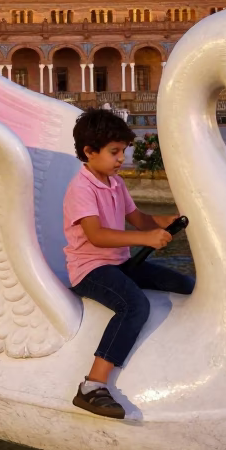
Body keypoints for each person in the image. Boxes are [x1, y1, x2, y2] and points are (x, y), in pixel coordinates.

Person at [62, 108, 194, 420]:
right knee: (134, 305)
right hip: (90, 270)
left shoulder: (115, 183)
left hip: (119, 263)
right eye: (114, 152)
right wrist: (146, 239)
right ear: (89, 152)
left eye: (124, 151)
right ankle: (92, 385)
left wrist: (171, 220)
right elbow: (96, 236)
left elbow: (139, 219)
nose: (122, 158)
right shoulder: (81, 188)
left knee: (184, 285)